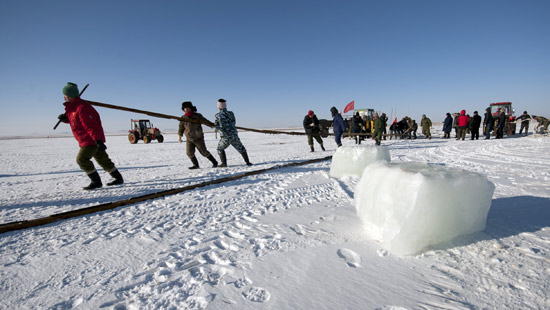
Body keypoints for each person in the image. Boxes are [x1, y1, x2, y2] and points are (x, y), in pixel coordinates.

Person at [57, 82, 123, 190]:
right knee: (103, 160)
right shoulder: (74, 108)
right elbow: (77, 122)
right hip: (91, 139)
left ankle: (96, 181)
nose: (64, 97)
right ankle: (118, 178)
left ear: (71, 95)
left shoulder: (82, 108)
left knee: (81, 159)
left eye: (65, 95)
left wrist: (98, 140)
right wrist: (66, 119)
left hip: (90, 140)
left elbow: (91, 125)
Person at [178, 101, 218, 169]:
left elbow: (205, 121)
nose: (186, 109)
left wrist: (212, 125)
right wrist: (180, 136)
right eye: (184, 108)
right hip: (189, 138)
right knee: (189, 153)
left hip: (198, 138)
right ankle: (196, 165)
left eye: (187, 107)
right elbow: (181, 127)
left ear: (191, 108)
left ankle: (214, 162)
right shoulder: (183, 117)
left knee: (204, 152)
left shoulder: (197, 116)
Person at [215, 98, 252, 167]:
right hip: (234, 135)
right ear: (225, 105)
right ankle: (248, 162)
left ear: (219, 106)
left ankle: (224, 163)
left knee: (220, 149)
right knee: (241, 148)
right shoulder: (231, 113)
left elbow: (218, 126)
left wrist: (216, 127)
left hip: (225, 137)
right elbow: (233, 122)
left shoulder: (218, 115)